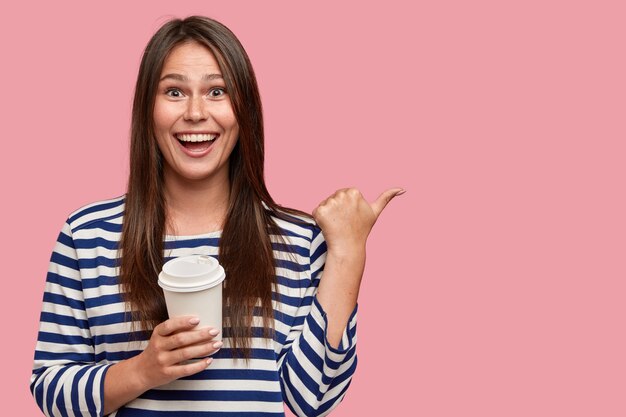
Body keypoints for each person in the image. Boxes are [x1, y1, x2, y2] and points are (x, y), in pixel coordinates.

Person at [30, 15, 403, 417]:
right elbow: (51, 387)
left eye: (216, 91)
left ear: (244, 111)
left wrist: (348, 255)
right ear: (146, 109)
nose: (194, 113)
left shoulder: (298, 241)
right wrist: (143, 370)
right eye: (174, 91)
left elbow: (312, 399)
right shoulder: (87, 236)